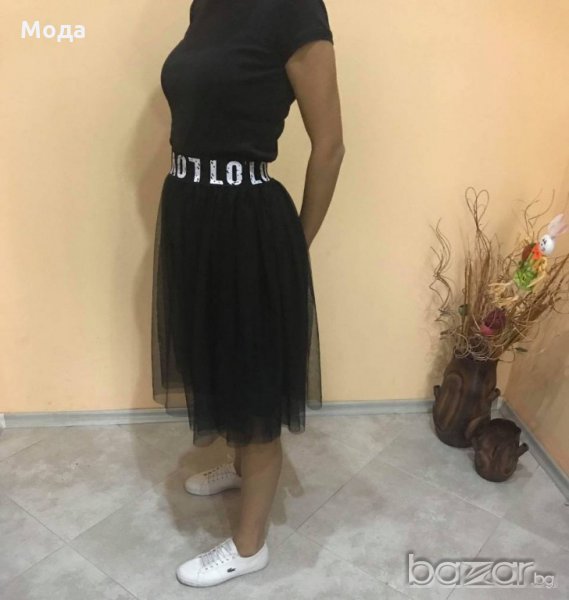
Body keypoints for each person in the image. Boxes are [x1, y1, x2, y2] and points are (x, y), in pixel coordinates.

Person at [151, 0, 344, 587]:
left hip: (245, 223)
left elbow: (330, 145)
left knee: (253, 377)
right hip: (190, 212)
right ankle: (239, 466)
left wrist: (294, 246)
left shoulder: (295, 10)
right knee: (215, 355)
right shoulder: (206, 6)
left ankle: (249, 545)